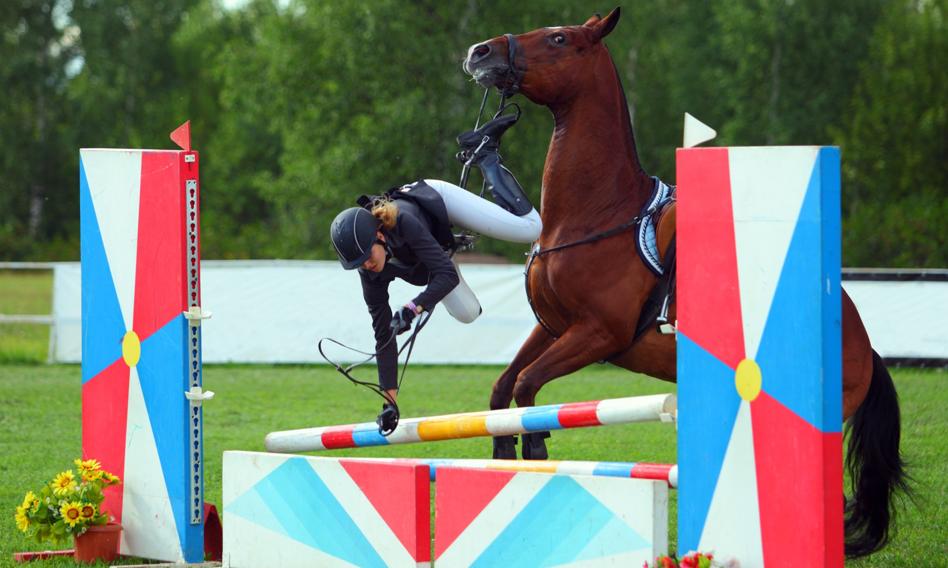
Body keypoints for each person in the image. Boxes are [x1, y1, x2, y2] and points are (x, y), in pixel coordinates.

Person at [330, 176, 541, 433]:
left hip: (441, 201)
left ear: (378, 235)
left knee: (530, 229)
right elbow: (383, 334)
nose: (366, 265)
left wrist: (412, 308)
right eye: (359, 263)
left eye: (367, 256)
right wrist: (389, 404)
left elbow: (447, 277)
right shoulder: (370, 271)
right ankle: (441, 251)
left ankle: (487, 158)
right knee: (467, 313)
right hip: (435, 259)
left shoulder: (403, 221)